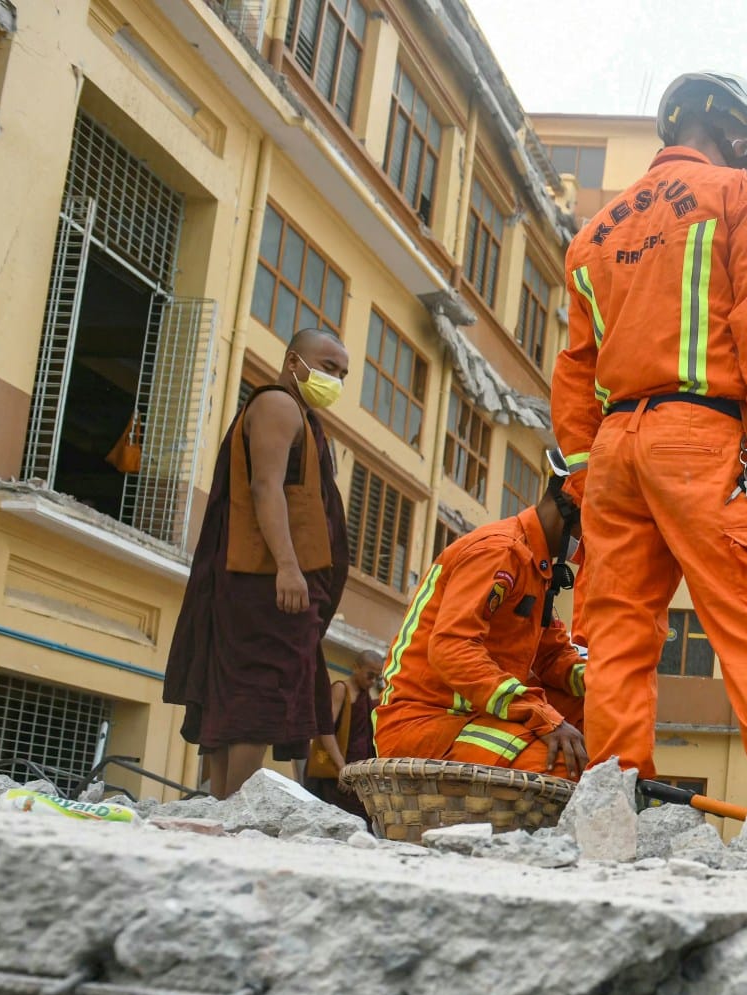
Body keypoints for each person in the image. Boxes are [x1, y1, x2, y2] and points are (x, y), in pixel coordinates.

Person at [550, 71, 747, 816]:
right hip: (697, 436)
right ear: (738, 136)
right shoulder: (741, 198)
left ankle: (615, 809)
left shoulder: (593, 235)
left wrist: (584, 480)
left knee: (615, 634)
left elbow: (574, 371)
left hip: (613, 449)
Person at [165, 329, 350, 799]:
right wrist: (288, 566)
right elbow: (266, 488)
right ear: (293, 362)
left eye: (343, 374)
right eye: (329, 367)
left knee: (244, 694)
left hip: (267, 581)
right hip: (265, 580)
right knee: (258, 695)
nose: (337, 380)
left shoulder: (301, 417)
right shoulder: (278, 405)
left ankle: (223, 805)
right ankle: (234, 810)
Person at [372, 475, 588, 777]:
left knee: (594, 712)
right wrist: (539, 714)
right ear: (568, 506)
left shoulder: (535, 565)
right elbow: (451, 648)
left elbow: (553, 657)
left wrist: (605, 682)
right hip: (427, 723)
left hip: (474, 714)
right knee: (567, 763)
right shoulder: (500, 552)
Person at [305, 648, 383, 814]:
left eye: (377, 678)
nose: (372, 682)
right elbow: (326, 731)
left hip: (356, 775)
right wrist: (342, 769)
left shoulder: (366, 697)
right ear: (356, 667)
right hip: (336, 773)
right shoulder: (341, 689)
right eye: (370, 675)